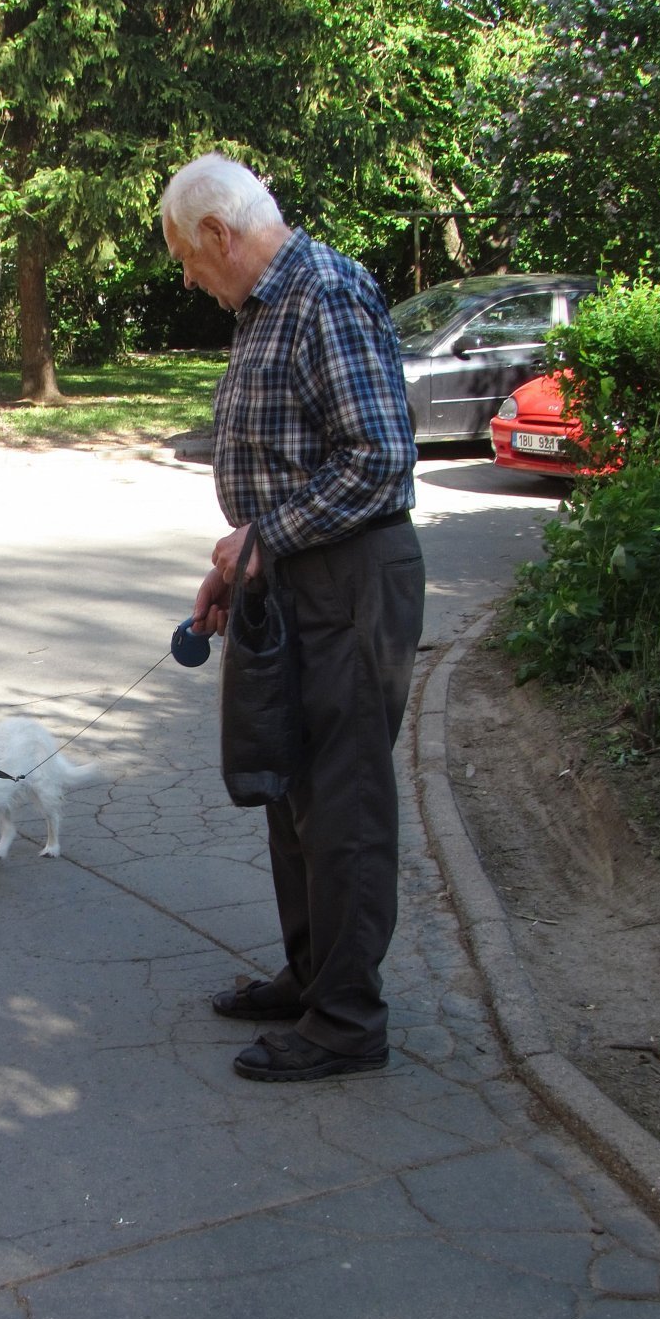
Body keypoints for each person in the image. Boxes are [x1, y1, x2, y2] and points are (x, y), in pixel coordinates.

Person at [161, 152, 425, 1083]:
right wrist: (244, 566)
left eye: (188, 261)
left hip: (350, 581)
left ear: (219, 236)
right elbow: (296, 457)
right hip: (292, 577)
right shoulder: (268, 306)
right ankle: (313, 978)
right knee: (288, 785)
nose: (190, 280)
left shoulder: (326, 293)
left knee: (343, 803)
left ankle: (348, 1021)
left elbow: (380, 462)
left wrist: (263, 536)